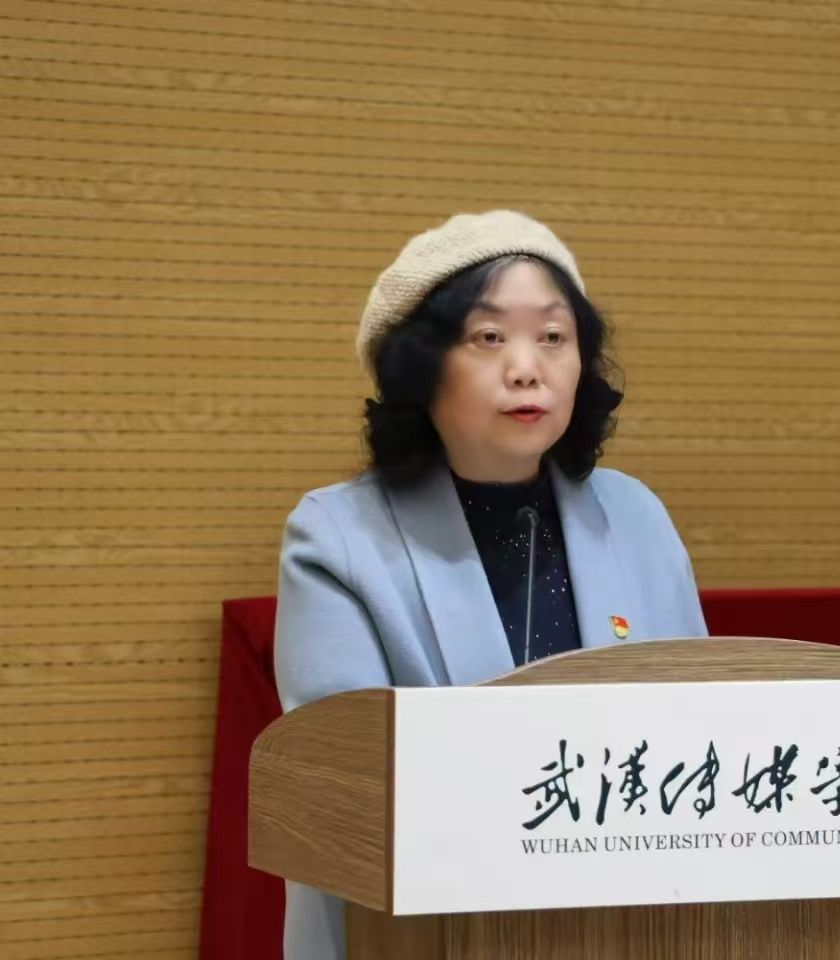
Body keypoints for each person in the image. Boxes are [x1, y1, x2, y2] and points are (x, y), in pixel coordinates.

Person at [272, 210, 707, 959]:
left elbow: (704, 731)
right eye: (490, 337)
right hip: (417, 933)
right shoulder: (337, 539)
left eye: (554, 337)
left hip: (622, 927)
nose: (527, 368)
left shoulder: (635, 515)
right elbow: (341, 787)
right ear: (421, 365)